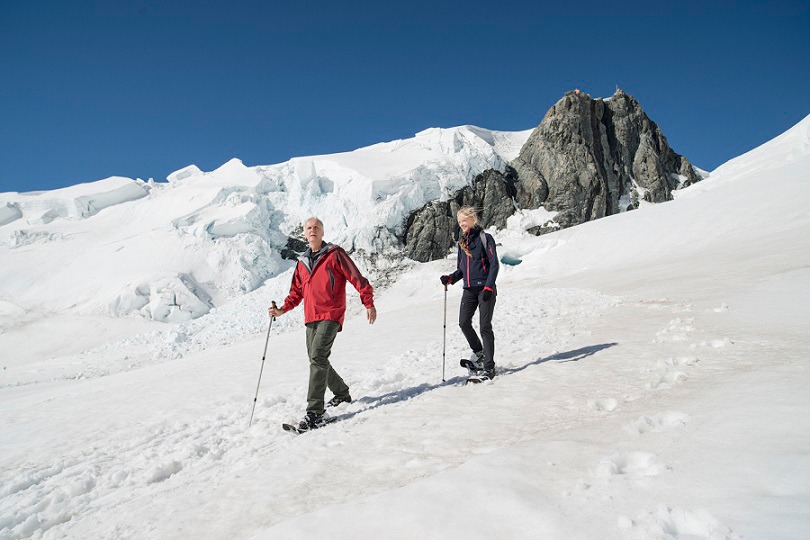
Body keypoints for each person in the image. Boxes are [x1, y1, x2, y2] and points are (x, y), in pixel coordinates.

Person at [269, 217, 376, 431]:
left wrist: (368, 303)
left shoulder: (335, 254)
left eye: (316, 227)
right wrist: (281, 310)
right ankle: (342, 393)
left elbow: (357, 278)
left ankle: (315, 413)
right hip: (311, 317)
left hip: (332, 313)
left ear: (322, 231)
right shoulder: (302, 263)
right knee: (316, 358)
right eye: (309, 228)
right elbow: (296, 293)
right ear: (305, 234)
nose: (313, 230)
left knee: (317, 357)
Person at [440, 206, 499, 380]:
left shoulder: (485, 238)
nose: (461, 224)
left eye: (464, 220)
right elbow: (461, 270)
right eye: (459, 222)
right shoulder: (462, 243)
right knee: (463, 323)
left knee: (484, 327)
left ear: (473, 219)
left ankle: (489, 367)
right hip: (469, 289)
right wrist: (450, 278)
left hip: (485, 289)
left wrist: (489, 287)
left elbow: (494, 264)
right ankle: (480, 354)